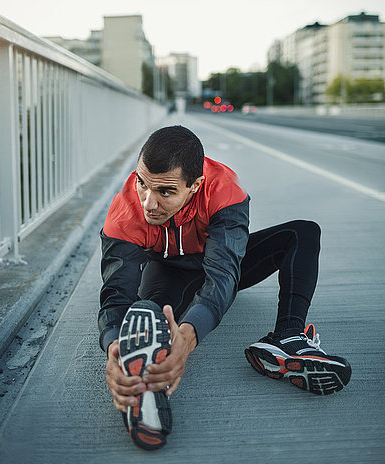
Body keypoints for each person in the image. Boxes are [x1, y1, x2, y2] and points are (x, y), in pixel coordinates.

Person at [99, 125, 351, 451]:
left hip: (218, 262)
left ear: (195, 186)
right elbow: (116, 295)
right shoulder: (126, 211)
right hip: (168, 271)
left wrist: (189, 336)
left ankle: (288, 337)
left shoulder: (223, 191)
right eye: (142, 182)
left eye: (165, 192)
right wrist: (113, 347)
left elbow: (222, 277)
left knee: (303, 233)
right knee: (147, 318)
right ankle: (143, 383)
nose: (149, 202)